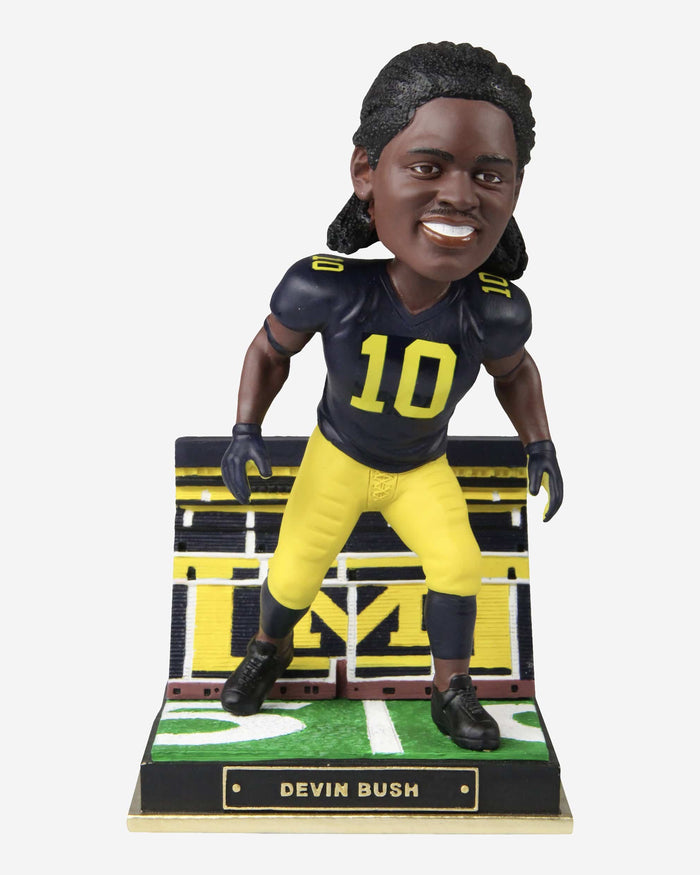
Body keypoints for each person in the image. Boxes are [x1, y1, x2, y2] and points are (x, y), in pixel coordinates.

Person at [219, 41, 563, 751]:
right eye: (429, 167)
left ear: (515, 188)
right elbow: (269, 350)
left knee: (459, 565)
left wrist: (541, 442)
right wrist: (245, 429)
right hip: (338, 457)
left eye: (489, 174)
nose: (460, 196)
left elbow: (515, 371)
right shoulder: (327, 287)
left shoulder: (493, 308)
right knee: (294, 569)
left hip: (420, 466)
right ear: (366, 172)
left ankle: (452, 686)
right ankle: (268, 649)